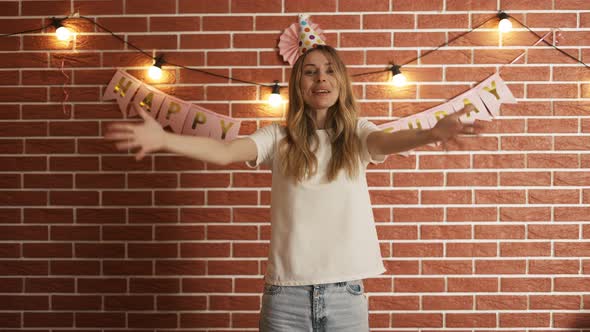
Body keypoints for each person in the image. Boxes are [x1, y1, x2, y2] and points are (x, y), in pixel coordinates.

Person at [105, 45, 480, 331]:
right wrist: (165, 141)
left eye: (330, 71)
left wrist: (430, 133)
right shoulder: (277, 137)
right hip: (285, 297)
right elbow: (224, 150)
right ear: (298, 85)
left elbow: (386, 142)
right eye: (311, 72)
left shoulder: (357, 134)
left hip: (346, 296)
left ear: (341, 83)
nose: (321, 78)